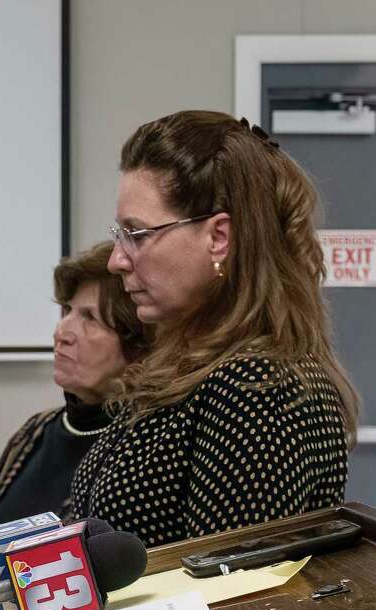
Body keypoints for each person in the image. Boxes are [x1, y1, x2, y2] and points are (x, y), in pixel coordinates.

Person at [70, 110, 358, 547]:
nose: (116, 260)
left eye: (138, 234)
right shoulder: (192, 373)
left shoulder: (259, 389)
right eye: (119, 234)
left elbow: (235, 599)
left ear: (218, 237)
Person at [0, 241, 148, 526]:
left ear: (138, 342)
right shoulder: (32, 434)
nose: (62, 332)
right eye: (67, 311)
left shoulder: (143, 445)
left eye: (89, 318)